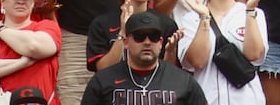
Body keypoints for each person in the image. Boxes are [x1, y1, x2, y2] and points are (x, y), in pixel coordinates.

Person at [174, 0, 268, 104]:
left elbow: (254, 55)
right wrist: (204, 18)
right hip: (208, 98)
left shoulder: (255, 13)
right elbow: (197, 61)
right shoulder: (191, 18)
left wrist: (250, 12)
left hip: (247, 99)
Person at [80, 11, 209, 105]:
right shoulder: (102, 80)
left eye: (153, 37)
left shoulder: (183, 81)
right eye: (140, 36)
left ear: (160, 42)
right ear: (125, 42)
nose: (147, 42)